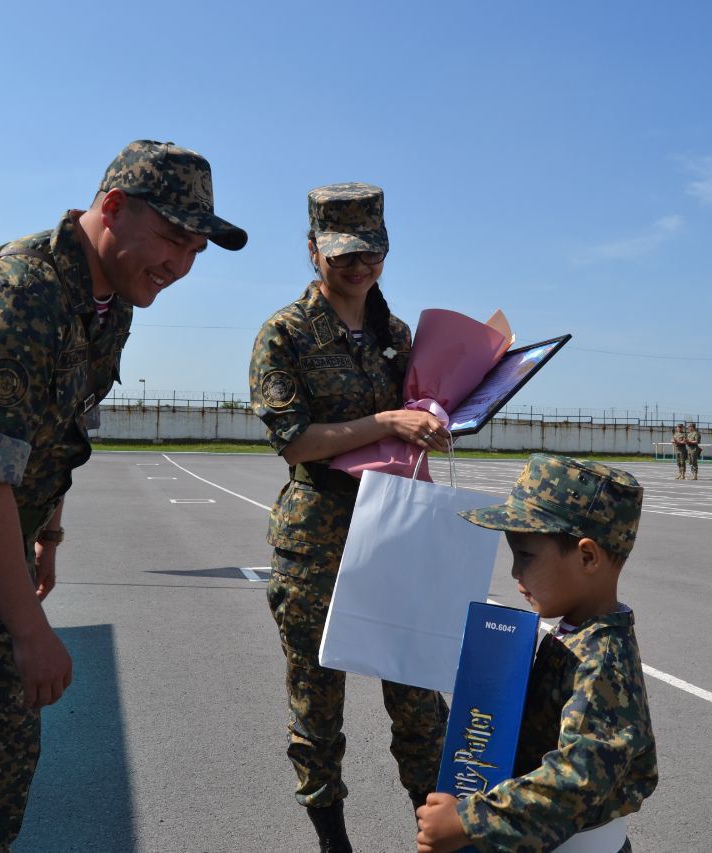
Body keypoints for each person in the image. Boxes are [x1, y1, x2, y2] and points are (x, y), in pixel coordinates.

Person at [0, 140, 246, 851]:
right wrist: (30, 629)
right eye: (173, 240)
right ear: (113, 208)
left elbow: (53, 433)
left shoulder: (110, 299)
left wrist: (47, 534)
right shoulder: (20, 294)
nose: (180, 266)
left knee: (8, 763)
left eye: (196, 252)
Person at [249, 182, 450, 852]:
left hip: (393, 532)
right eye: (342, 255)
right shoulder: (283, 334)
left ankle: (436, 834)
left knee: (421, 705)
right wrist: (386, 420)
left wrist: (435, 425)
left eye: (370, 252)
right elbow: (296, 439)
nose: (359, 267)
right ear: (312, 251)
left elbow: (420, 411)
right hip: (316, 542)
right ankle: (334, 845)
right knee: (317, 707)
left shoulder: (397, 335)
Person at [415, 454, 657, 852]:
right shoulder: (579, 629)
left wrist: (470, 821)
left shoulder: (600, 658)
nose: (514, 573)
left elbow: (578, 779)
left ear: (587, 557)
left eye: (526, 555)